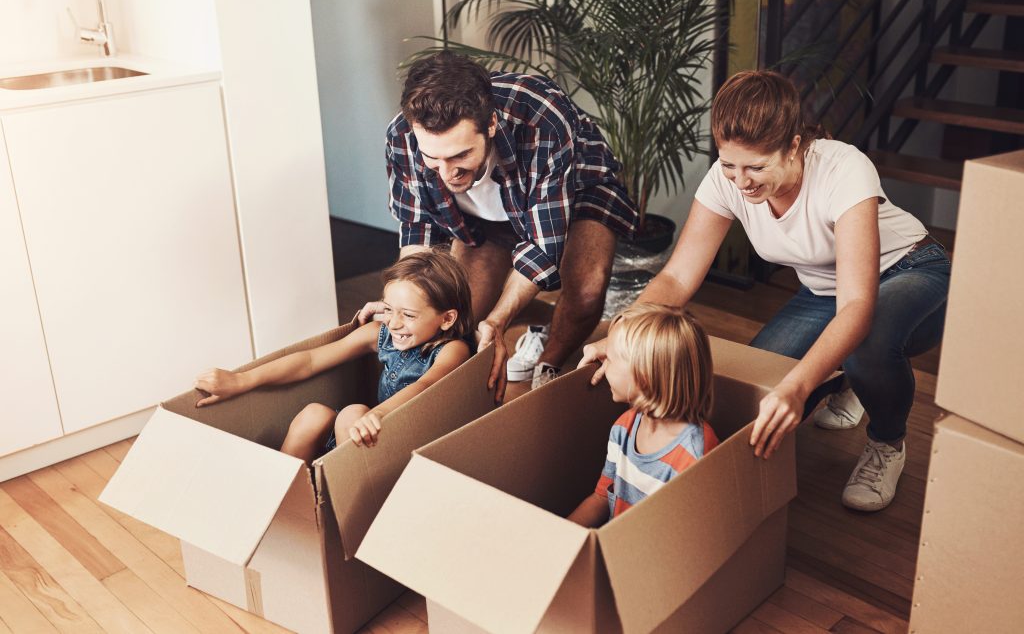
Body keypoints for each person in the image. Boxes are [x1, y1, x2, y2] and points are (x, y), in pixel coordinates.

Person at [580, 70, 950, 512]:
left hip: (909, 269)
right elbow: (677, 278)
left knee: (866, 343)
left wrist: (798, 388)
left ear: (794, 145)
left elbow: (857, 304)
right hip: (824, 292)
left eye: (756, 166)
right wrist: (621, 334)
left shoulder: (842, 168)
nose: (741, 181)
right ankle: (852, 378)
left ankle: (887, 440)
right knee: (755, 393)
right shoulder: (726, 178)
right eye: (730, 164)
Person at [359, 51, 638, 403]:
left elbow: (543, 245)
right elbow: (417, 229)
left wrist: (500, 320)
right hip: (480, 216)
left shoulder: (543, 119)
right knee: (455, 314)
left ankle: (547, 369)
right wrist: (397, 299)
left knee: (585, 291)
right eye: (434, 159)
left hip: (580, 189)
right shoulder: (402, 136)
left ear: (490, 124)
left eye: (460, 155)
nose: (447, 174)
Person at [194, 250, 473, 464]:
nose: (395, 323)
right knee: (314, 414)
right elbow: (311, 360)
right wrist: (242, 380)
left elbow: (425, 386)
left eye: (408, 315)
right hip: (363, 433)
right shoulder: (379, 333)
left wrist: (378, 413)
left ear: (447, 319)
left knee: (352, 413)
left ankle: (340, 499)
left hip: (403, 443)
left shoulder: (452, 349)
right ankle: (284, 497)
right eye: (388, 309)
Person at [568, 304, 719, 527]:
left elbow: (690, 535)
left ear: (643, 377)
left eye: (610, 358)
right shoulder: (623, 428)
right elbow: (600, 498)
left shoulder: (696, 451)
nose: (603, 364)